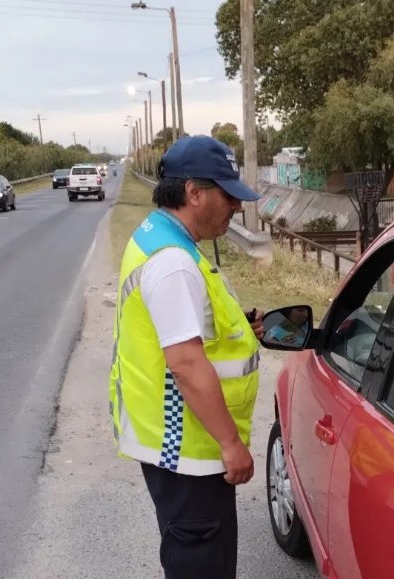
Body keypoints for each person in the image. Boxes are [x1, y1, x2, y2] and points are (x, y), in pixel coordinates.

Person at [108, 135, 264, 579]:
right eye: (228, 195)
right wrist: (232, 445)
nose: (235, 206)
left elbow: (186, 328)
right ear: (193, 192)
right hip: (188, 450)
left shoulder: (157, 235)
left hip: (173, 446)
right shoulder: (174, 261)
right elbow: (186, 363)